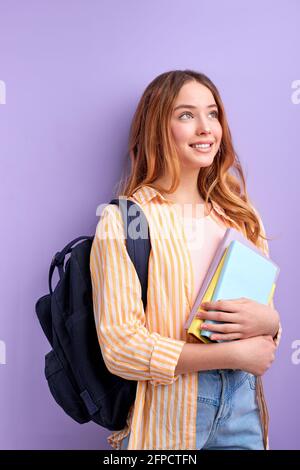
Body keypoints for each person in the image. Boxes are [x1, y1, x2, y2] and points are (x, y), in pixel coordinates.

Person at [89, 70, 282, 450]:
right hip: (169, 414)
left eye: (212, 114)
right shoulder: (126, 220)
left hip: (244, 407)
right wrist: (231, 353)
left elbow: (262, 325)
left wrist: (271, 322)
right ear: (158, 127)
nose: (205, 128)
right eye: (186, 115)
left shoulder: (242, 217)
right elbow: (121, 348)